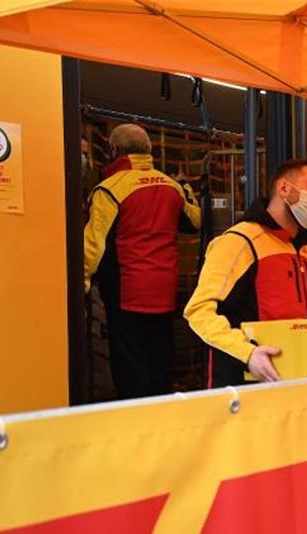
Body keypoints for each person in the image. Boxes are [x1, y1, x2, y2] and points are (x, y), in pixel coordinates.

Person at [184, 157, 307, 388]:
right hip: (244, 385)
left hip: (301, 381)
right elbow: (199, 311)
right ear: (283, 188)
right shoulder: (239, 242)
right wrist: (248, 354)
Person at [84, 123, 202, 399]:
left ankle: (136, 418)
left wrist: (82, 282)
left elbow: (94, 245)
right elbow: (195, 222)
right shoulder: (171, 186)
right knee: (160, 356)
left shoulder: (109, 189)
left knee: (130, 361)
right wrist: (187, 188)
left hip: (127, 291)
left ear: (113, 150)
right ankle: (163, 411)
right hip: (164, 288)